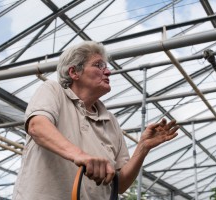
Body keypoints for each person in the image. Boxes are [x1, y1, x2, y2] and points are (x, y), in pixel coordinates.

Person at [12, 41, 179, 200]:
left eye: (106, 67)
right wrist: (81, 156)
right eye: (99, 65)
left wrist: (143, 147)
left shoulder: (110, 121)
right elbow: (37, 127)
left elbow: (119, 185)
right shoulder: (53, 91)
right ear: (74, 72)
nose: (108, 72)